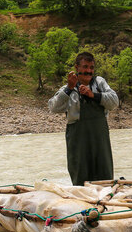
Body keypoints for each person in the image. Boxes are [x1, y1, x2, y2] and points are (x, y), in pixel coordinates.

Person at [48, 52, 119, 186]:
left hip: (100, 137)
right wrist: (68, 89)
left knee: (104, 174)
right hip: (77, 139)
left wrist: (94, 95)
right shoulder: (68, 87)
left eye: (91, 68)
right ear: (77, 68)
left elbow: (114, 102)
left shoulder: (99, 83)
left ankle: (104, 201)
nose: (88, 71)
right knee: (80, 175)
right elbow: (53, 107)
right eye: (85, 67)